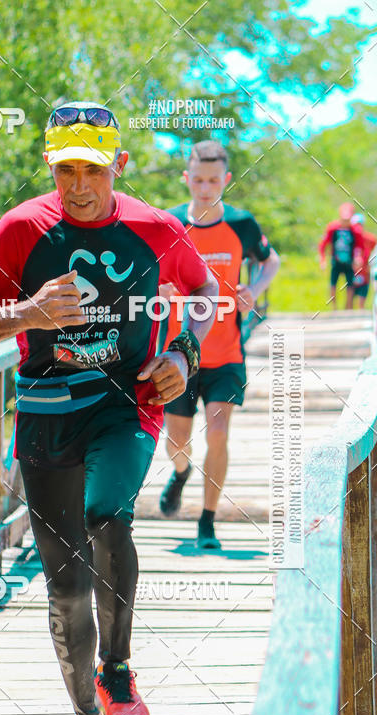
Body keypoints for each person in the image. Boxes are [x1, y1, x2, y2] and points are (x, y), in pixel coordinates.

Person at [0, 101, 218, 715]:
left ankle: (118, 671)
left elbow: (206, 290)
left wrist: (183, 355)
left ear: (117, 165)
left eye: (90, 169)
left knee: (107, 515)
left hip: (129, 405)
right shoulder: (21, 229)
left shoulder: (155, 228)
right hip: (45, 413)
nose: (77, 184)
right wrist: (27, 312)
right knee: (64, 584)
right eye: (64, 168)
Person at [157, 140, 280, 550]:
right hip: (178, 355)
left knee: (219, 431)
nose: (205, 188)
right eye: (198, 179)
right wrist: (163, 289)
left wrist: (256, 289)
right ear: (186, 178)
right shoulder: (169, 223)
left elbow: (271, 260)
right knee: (177, 443)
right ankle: (179, 474)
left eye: (213, 180)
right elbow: (151, 274)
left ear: (225, 180)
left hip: (226, 353)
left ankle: (207, 522)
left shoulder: (242, 224)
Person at [318, 202, 365, 310]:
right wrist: (323, 260)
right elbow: (323, 245)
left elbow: (360, 246)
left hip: (349, 261)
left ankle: (348, 307)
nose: (345, 222)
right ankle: (334, 308)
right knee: (333, 284)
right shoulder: (333, 228)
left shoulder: (355, 230)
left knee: (350, 285)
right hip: (336, 260)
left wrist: (358, 258)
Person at [350, 212, 377, 309]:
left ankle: (360, 312)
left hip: (365, 270)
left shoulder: (371, 239)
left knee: (362, 295)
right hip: (353, 270)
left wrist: (370, 265)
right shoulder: (351, 238)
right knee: (350, 294)